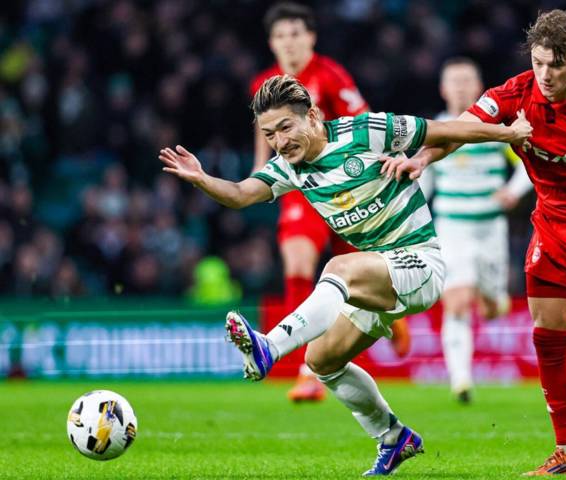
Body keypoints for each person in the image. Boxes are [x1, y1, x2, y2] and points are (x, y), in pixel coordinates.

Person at [159, 75, 532, 476]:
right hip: (377, 274)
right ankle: (392, 437)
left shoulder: (367, 131)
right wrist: (202, 180)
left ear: (313, 116)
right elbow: (239, 194)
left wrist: (507, 132)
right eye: (270, 135)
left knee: (338, 268)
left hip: (420, 263)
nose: (280, 142)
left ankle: (269, 346)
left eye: (286, 127)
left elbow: (447, 129)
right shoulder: (290, 168)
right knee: (322, 360)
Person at [382, 9, 566, 476]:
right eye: (538, 62)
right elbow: (459, 128)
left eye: (555, 66)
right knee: (547, 339)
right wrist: (421, 160)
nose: (544, 74)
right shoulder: (514, 94)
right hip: (554, 228)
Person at [249, 2, 410, 402]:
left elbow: (363, 120)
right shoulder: (264, 84)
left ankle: (389, 312)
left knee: (353, 277)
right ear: (271, 42)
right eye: (281, 35)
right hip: (300, 188)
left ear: (311, 37)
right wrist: (258, 178)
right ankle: (305, 369)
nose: (289, 43)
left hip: (342, 189)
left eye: (296, 34)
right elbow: (263, 139)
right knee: (300, 264)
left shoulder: (330, 74)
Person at [418, 57, 532, 404]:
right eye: (455, 81)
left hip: (490, 227)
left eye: (468, 80)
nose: (461, 86)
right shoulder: (434, 129)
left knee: (492, 306)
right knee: (457, 299)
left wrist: (513, 191)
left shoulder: (495, 128)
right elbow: (424, 180)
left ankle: (494, 299)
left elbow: (526, 164)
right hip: (452, 226)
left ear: (479, 86)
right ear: (443, 88)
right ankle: (461, 380)